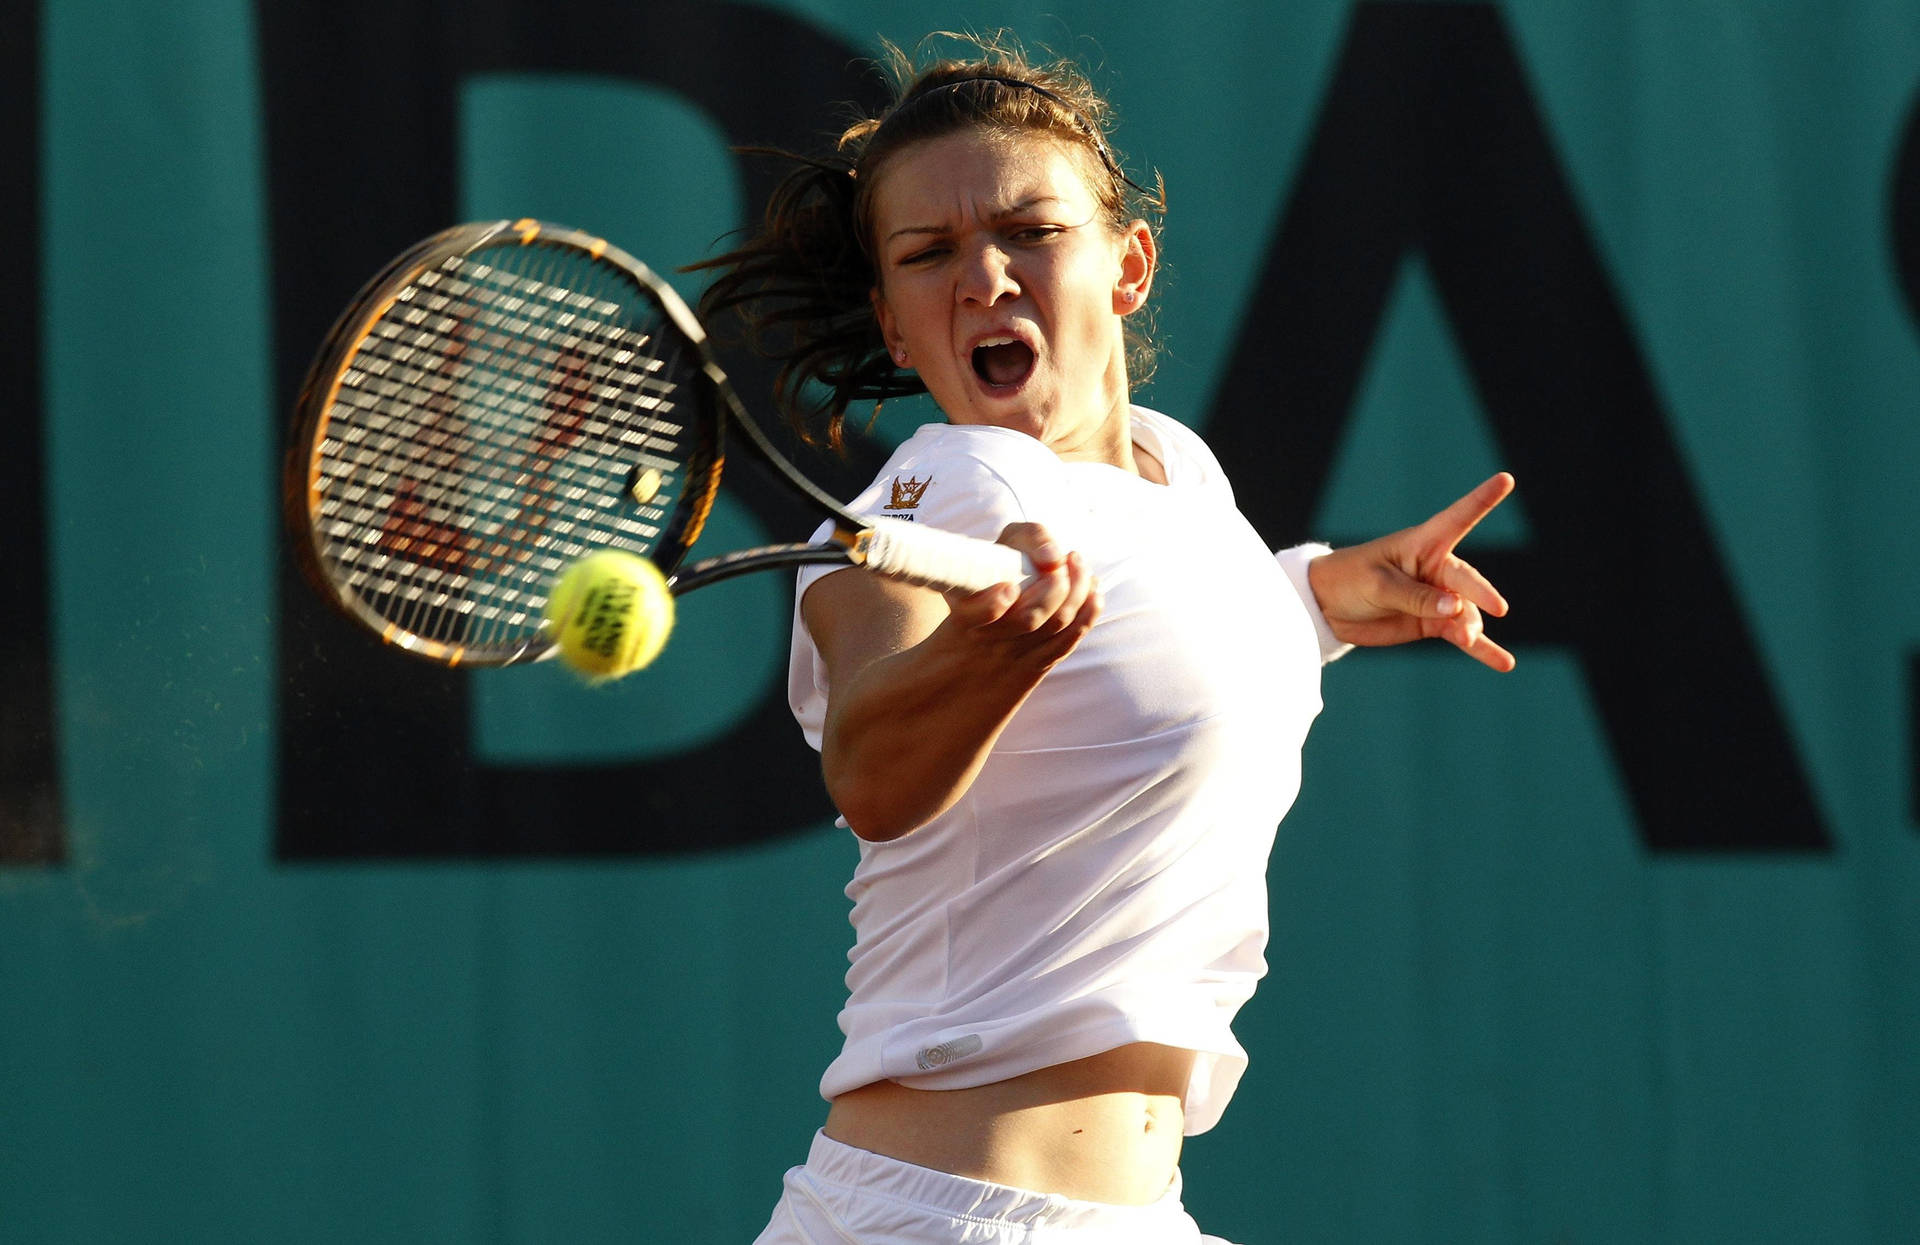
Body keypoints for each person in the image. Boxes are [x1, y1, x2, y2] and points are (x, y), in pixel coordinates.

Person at [696, 34, 1515, 1245]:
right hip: (936, 1221)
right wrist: (992, 657)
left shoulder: (1176, 473)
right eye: (929, 256)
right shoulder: (944, 486)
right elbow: (871, 769)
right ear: (897, 324)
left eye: (1030, 232)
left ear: (1128, 266)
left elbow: (1162, 638)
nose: (983, 277)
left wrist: (1318, 597)